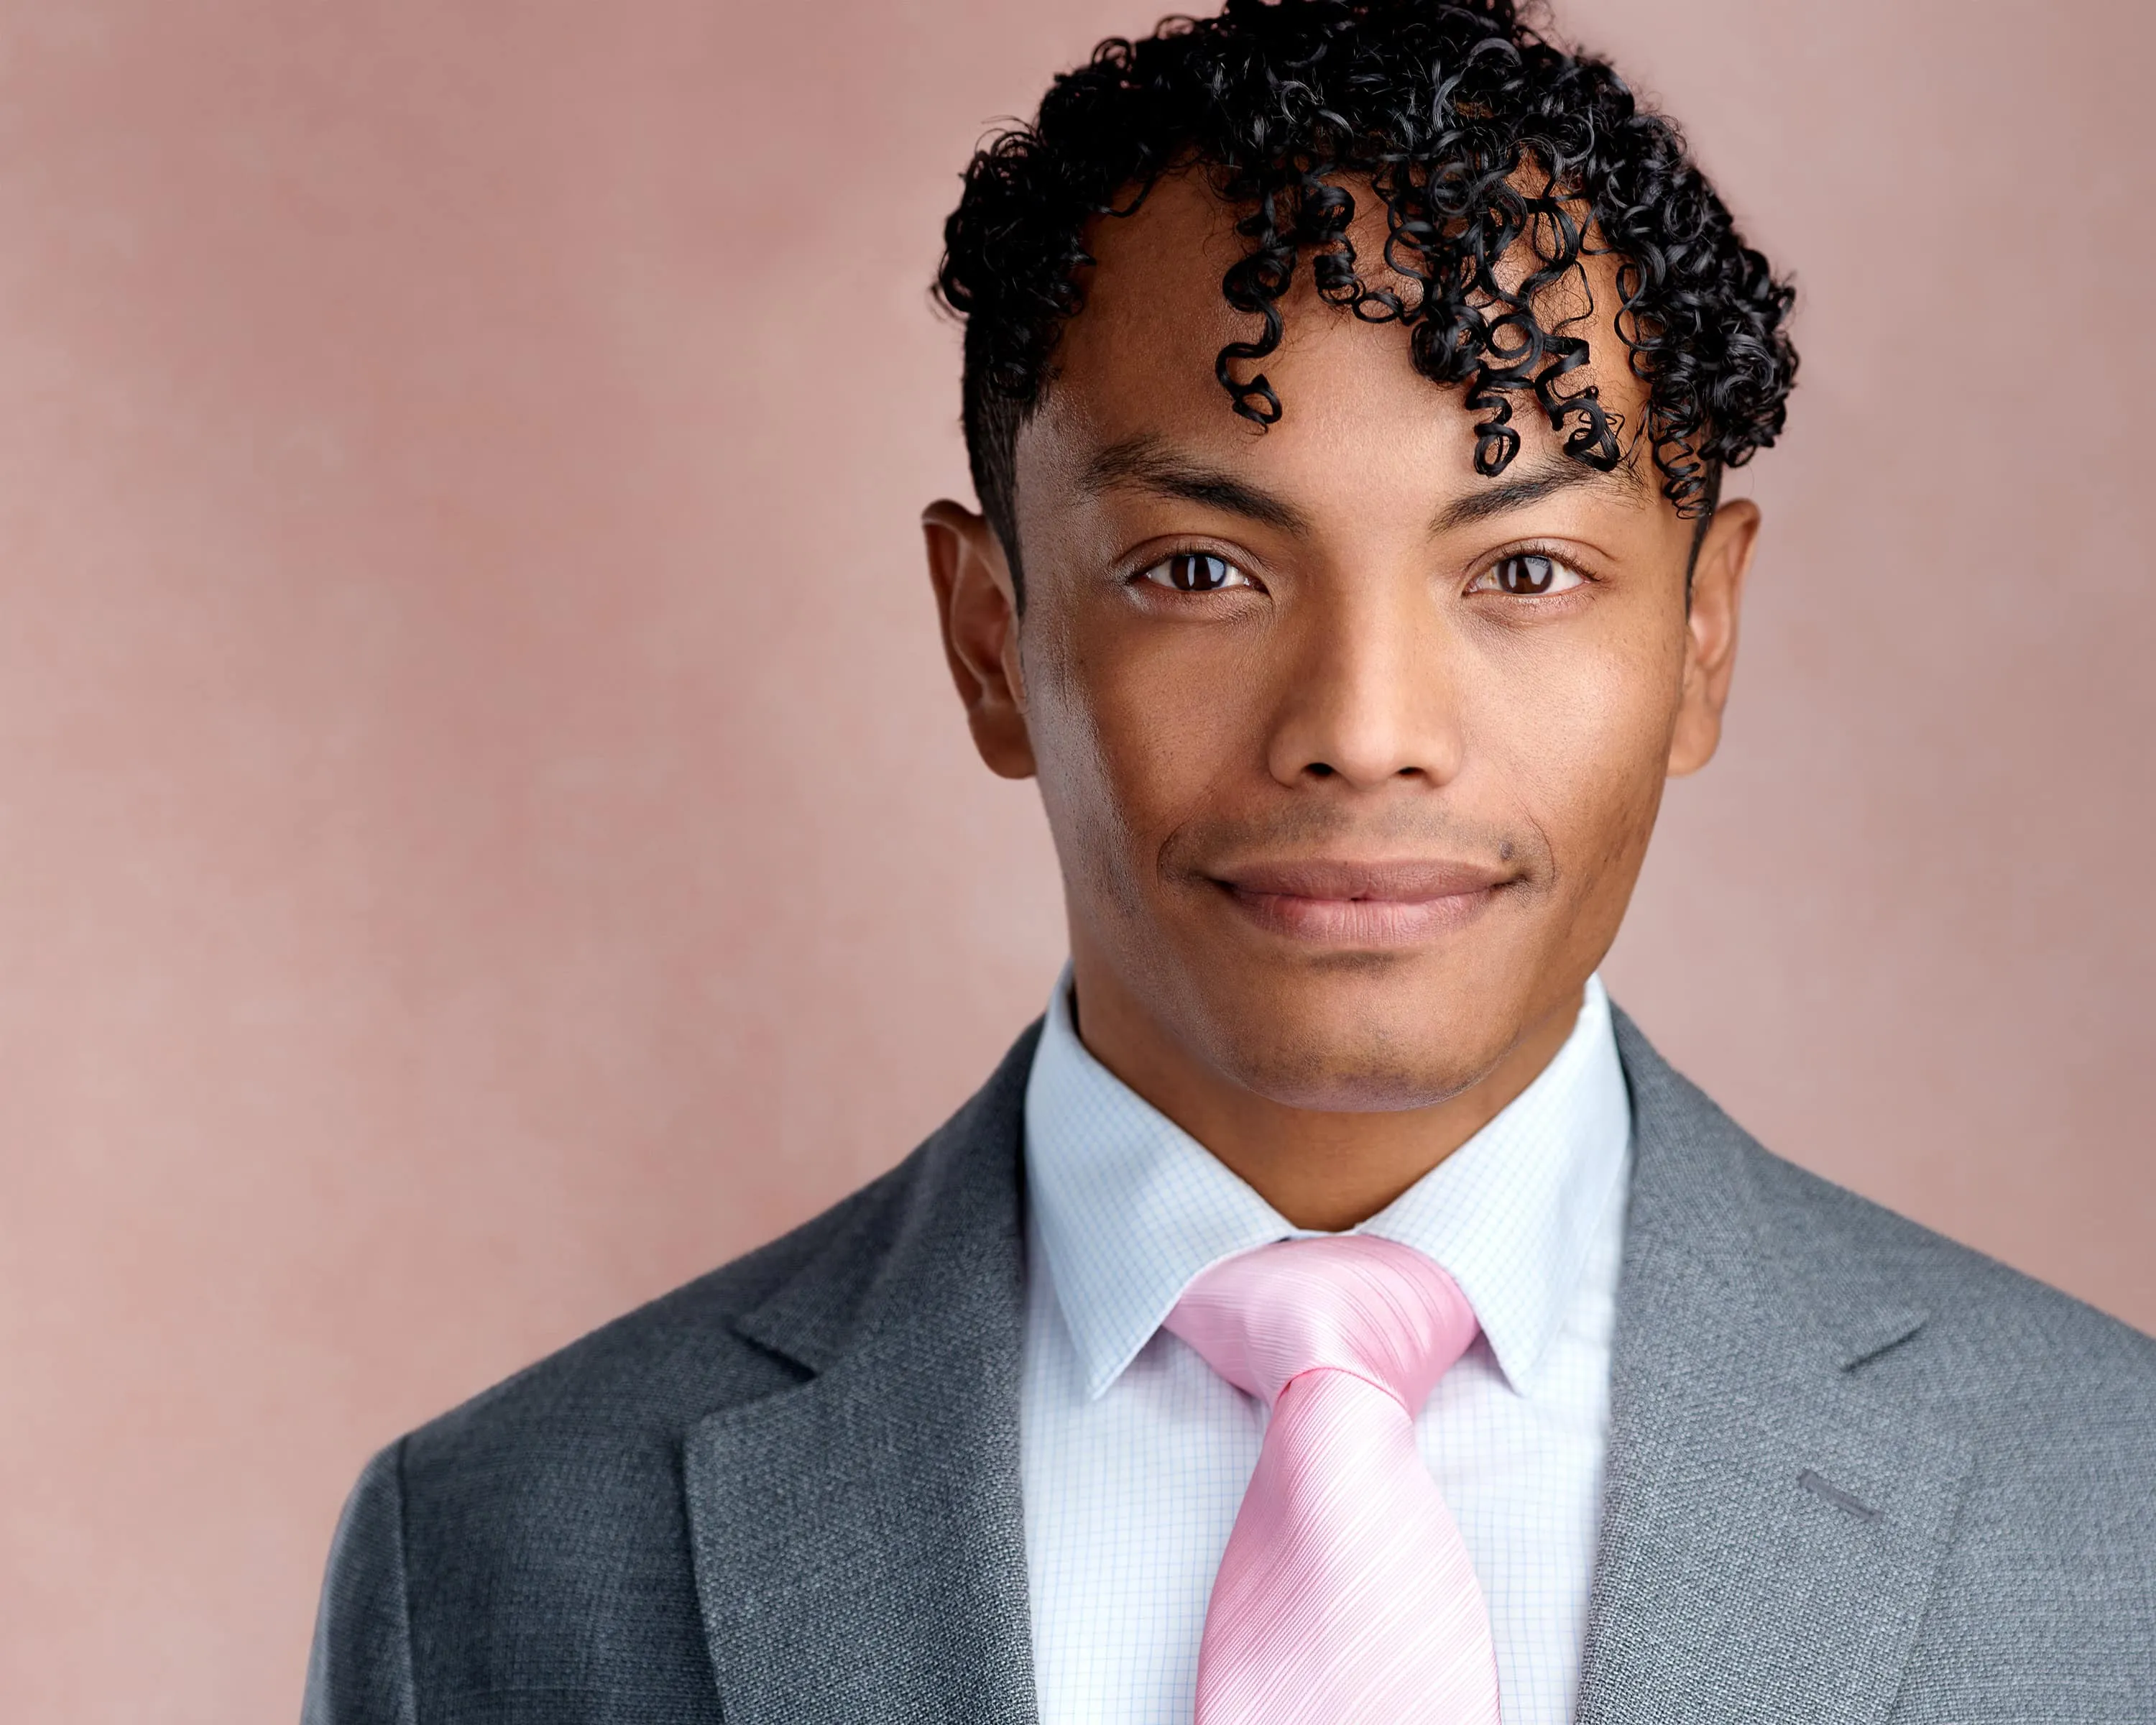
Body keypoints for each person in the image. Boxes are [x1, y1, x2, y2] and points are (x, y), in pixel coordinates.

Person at [302, 3, 2156, 1721]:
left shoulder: (2109, 1509)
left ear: (1701, 639)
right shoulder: (490, 1559)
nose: (1365, 723)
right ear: (989, 636)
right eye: (1204, 569)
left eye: (1523, 572)